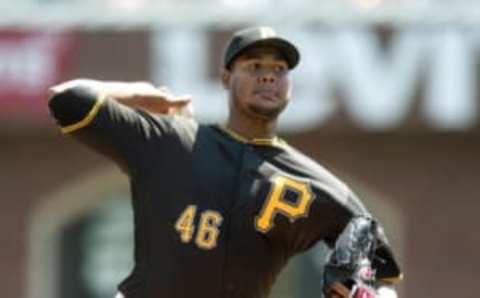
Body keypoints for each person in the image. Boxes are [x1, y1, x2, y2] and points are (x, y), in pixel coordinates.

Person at [47, 26, 402, 298]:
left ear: (289, 86)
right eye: (253, 66)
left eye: (279, 69)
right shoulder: (170, 141)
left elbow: (378, 269)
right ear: (225, 78)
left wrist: (376, 291)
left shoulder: (317, 186)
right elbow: (65, 99)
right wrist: (137, 93)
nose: (268, 76)